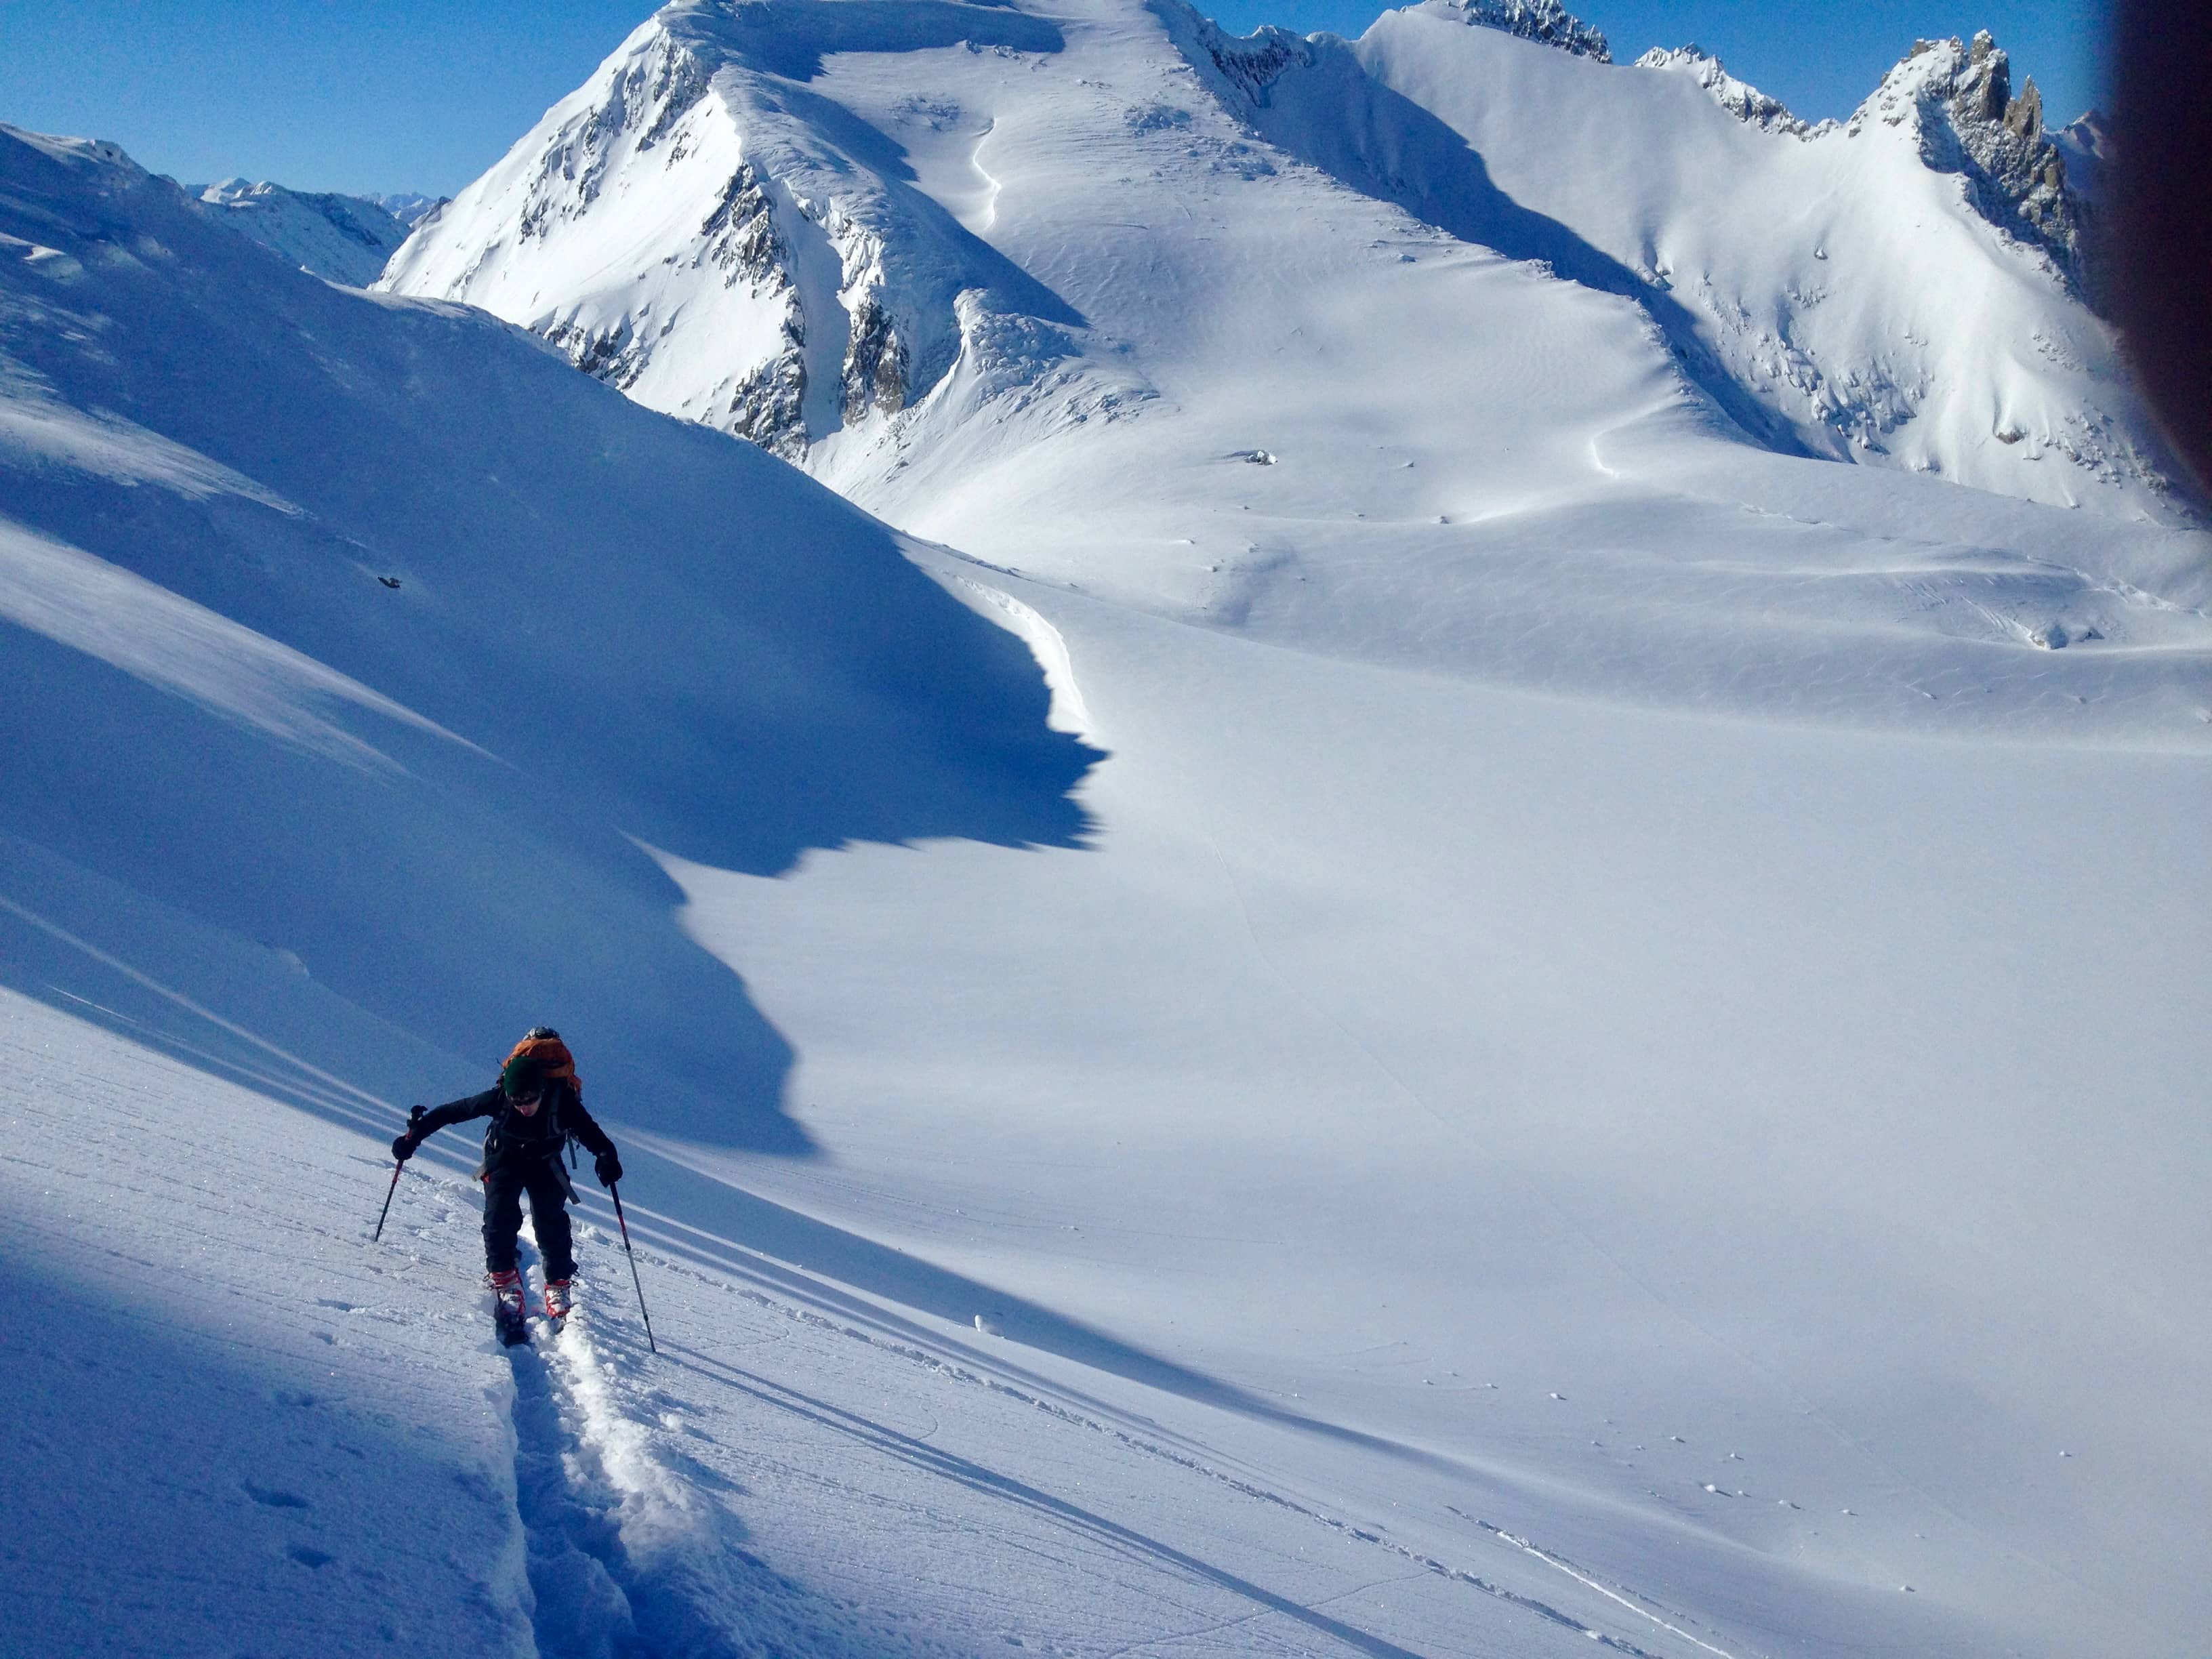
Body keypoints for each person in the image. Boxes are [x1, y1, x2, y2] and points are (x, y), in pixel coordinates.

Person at [392, 1027, 622, 1329]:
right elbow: (452, 1112)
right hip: (505, 1159)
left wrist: (607, 1159)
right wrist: (413, 1137)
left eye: (529, 1099)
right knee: (499, 1218)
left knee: (551, 1221)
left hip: (545, 1163)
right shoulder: (499, 1099)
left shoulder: (561, 1101)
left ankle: (558, 1284)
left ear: (542, 1089)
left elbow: (595, 1137)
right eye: (518, 1101)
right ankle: (504, 1280)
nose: (524, 1107)